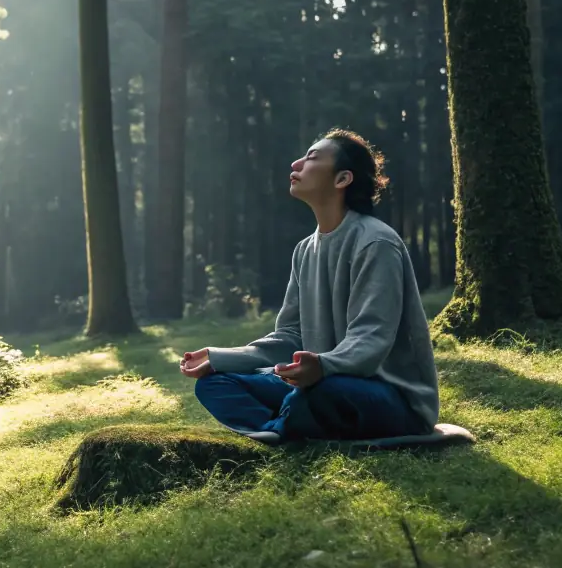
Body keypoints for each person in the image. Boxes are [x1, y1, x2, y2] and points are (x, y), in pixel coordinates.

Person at [180, 129, 439, 445]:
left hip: (389, 397)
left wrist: (323, 367)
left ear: (342, 179)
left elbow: (370, 339)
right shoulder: (304, 250)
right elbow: (289, 337)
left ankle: (284, 426)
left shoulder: (376, 243)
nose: (296, 163)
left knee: (316, 393)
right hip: (320, 384)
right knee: (215, 383)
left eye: (312, 157)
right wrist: (221, 357)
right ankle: (284, 427)